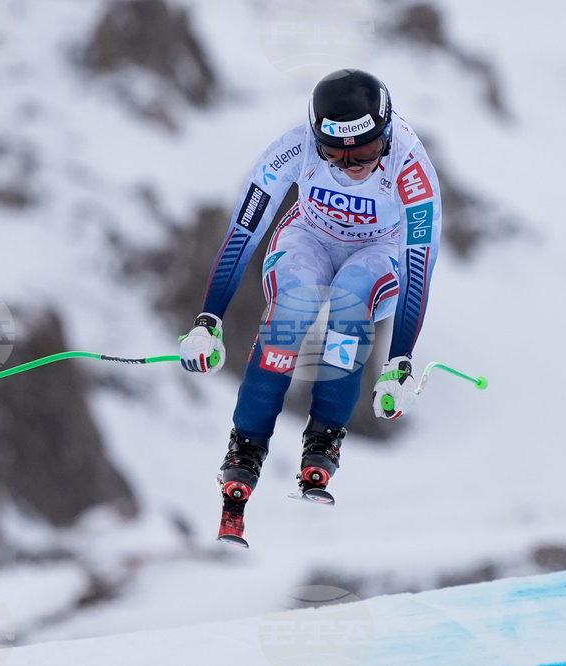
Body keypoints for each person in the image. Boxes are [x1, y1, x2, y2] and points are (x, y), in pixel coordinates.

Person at [178, 69, 442, 546]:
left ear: (385, 135)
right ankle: (245, 447)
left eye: (363, 154)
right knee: (291, 312)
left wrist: (399, 362)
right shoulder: (292, 148)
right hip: (309, 238)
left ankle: (324, 438)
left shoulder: (412, 169)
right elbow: (244, 231)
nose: (348, 166)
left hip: (379, 250)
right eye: (333, 153)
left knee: (350, 301)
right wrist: (208, 321)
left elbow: (418, 266)